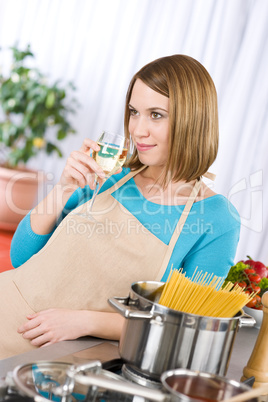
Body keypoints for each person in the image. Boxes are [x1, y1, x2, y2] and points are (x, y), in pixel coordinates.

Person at [1, 54, 240, 359]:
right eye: (134, 112)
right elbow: (22, 257)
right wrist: (64, 188)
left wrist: (86, 321)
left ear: (192, 119)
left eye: (156, 115)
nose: (138, 129)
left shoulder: (215, 218)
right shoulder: (108, 175)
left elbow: (182, 327)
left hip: (58, 356)